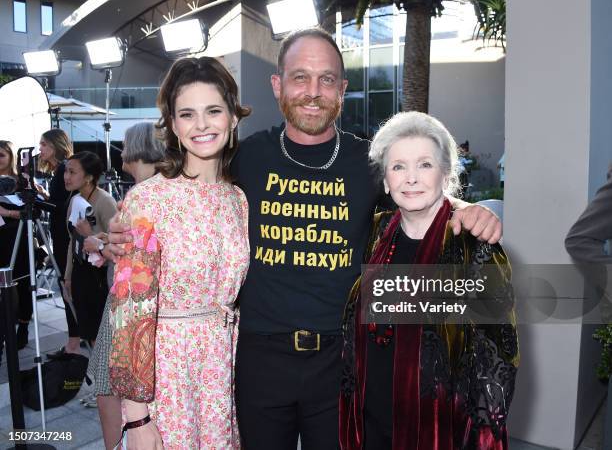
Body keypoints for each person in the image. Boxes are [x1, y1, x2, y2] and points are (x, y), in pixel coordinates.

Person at [108, 28, 502, 449]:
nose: (312, 92)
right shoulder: (242, 160)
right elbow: (178, 196)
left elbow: (419, 188)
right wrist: (119, 234)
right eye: (300, 77)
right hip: (255, 362)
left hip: (338, 365)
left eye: (326, 79)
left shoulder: (368, 163)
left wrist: (471, 210)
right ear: (277, 85)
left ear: (342, 89)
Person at [339, 111, 519, 450]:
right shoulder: (377, 231)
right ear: (386, 179)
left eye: (424, 165)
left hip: (439, 432)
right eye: (398, 167)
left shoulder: (473, 246)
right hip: (371, 422)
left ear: (446, 172)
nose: (411, 178)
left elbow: (497, 361)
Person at [108, 57, 250, 449]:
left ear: (233, 118)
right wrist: (136, 419)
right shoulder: (148, 200)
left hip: (222, 371)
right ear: (172, 124)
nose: (201, 125)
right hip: (168, 377)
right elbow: (129, 315)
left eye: (213, 111)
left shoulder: (237, 199)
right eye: (187, 114)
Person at [87, 122, 166, 449]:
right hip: (133, 304)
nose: (120, 148)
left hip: (129, 306)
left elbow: (139, 257)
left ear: (136, 147)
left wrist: (100, 245)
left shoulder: (144, 193)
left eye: (124, 143)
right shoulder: (153, 189)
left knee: (107, 384)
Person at [64, 151, 117, 347]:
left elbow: (116, 242)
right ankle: (96, 373)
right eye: (66, 171)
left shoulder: (105, 202)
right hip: (80, 272)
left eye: (72, 172)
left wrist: (89, 234)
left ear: (89, 177)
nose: (66, 177)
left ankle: (103, 375)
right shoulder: (74, 200)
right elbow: (72, 240)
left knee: (101, 334)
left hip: (99, 277)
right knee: (88, 330)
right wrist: (68, 276)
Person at [36, 129, 79, 359]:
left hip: (66, 238)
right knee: (67, 285)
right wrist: (44, 198)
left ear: (55, 145)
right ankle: (75, 338)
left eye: (44, 144)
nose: (40, 148)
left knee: (67, 285)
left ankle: (74, 341)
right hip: (63, 236)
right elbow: (60, 203)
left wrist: (40, 202)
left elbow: (63, 208)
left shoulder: (64, 168)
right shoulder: (61, 169)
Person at [0, 140, 31, 355]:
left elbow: (31, 212)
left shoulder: (22, 181)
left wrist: (6, 212)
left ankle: (24, 325)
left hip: (17, 238)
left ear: (11, 156)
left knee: (21, 281)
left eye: (1, 155)